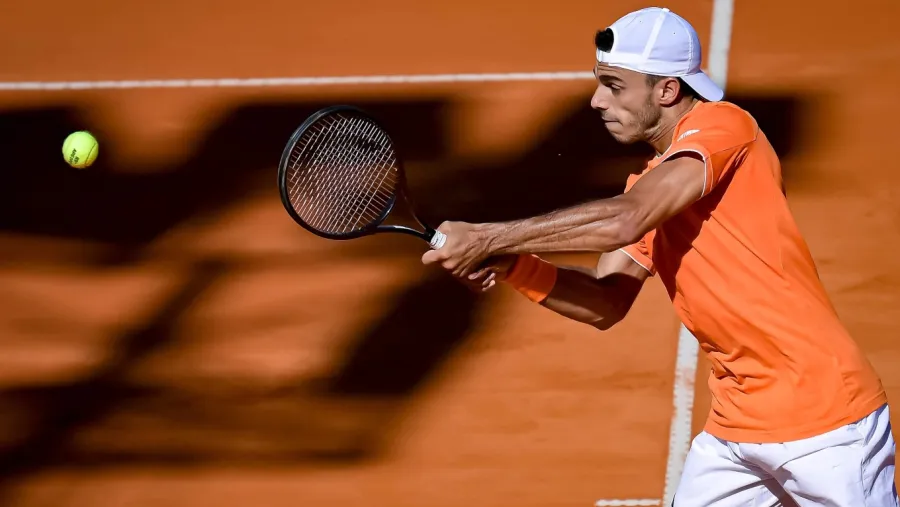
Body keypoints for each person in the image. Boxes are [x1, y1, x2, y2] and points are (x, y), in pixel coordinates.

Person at [420, 6, 897, 506]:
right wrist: (513, 265)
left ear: (667, 90)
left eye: (614, 85)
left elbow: (626, 220)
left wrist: (491, 237)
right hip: (736, 427)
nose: (596, 99)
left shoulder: (724, 126)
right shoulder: (651, 188)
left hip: (825, 424)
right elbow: (604, 304)